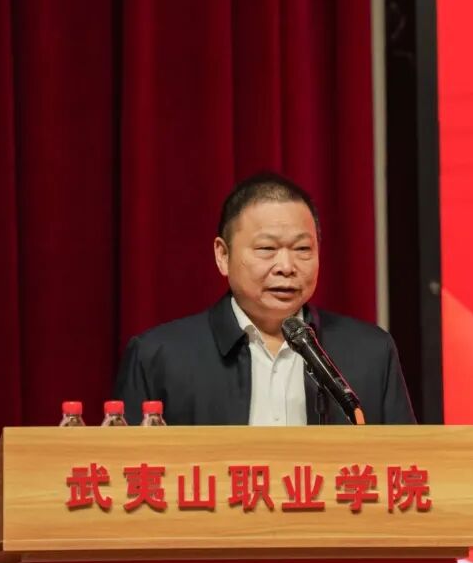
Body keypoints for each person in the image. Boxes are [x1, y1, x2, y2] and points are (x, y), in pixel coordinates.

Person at [113, 172, 416, 426]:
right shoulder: (159, 356)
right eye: (266, 249)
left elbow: (407, 464)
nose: (286, 266)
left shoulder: (370, 353)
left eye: (302, 249)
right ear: (223, 255)